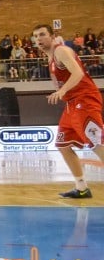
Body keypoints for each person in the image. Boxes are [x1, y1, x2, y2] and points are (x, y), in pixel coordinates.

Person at [32, 24, 104, 198]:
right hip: (71, 104)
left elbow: (78, 73)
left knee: (96, 142)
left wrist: (62, 91)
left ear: (52, 36)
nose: (39, 39)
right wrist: (61, 90)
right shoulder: (50, 60)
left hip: (84, 99)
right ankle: (82, 188)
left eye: (42, 34)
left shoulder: (61, 51)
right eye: (36, 36)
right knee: (63, 145)